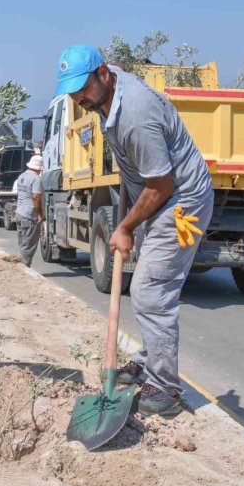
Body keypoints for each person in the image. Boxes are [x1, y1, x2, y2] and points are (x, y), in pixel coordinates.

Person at [53, 44, 213, 418]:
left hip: (179, 204)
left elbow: (161, 185)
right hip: (157, 199)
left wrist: (124, 226)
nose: (80, 99)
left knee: (149, 290)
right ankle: (145, 361)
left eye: (84, 90)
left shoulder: (136, 115)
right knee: (146, 282)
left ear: (103, 73)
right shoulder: (111, 89)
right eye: (73, 93)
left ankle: (165, 388)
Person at [14, 154, 44, 266]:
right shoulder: (36, 179)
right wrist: (40, 213)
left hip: (19, 212)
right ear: (39, 168)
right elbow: (35, 197)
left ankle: (22, 266)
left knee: (22, 242)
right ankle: (24, 268)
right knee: (29, 244)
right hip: (29, 215)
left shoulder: (21, 176)